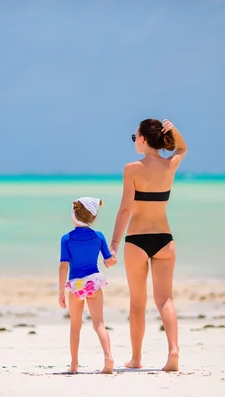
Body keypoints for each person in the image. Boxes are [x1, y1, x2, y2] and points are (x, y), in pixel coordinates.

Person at [109, 118, 187, 372]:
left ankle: (136, 358)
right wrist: (173, 130)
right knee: (165, 299)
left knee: (137, 302)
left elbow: (125, 209)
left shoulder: (132, 168)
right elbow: (183, 149)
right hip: (165, 239)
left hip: (137, 240)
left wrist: (113, 244)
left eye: (135, 137)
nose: (135, 141)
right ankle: (173, 350)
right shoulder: (169, 166)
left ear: (143, 139)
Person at [58, 196, 117, 374]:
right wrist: (112, 259)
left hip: (76, 285)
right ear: (92, 217)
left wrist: (61, 291)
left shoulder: (66, 238)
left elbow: (63, 265)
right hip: (94, 283)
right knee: (99, 323)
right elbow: (110, 260)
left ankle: (74, 364)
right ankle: (108, 358)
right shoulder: (98, 236)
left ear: (74, 215)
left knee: (75, 325)